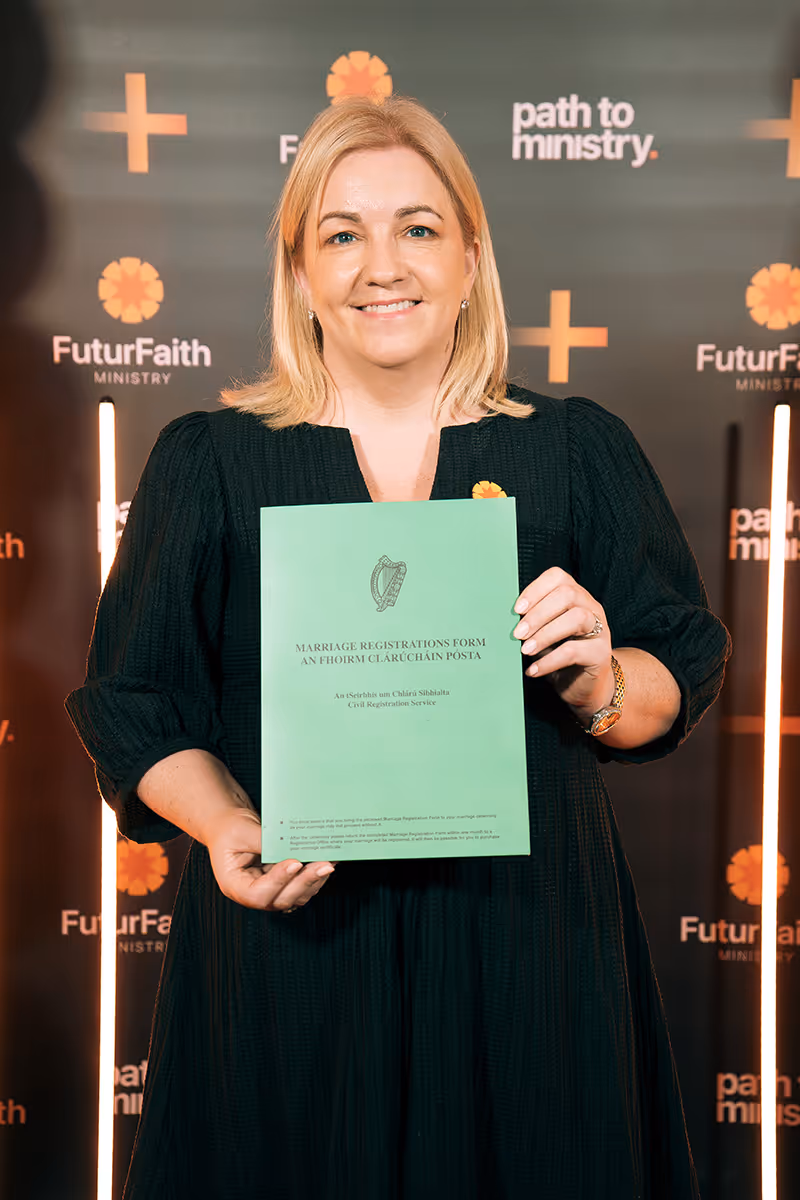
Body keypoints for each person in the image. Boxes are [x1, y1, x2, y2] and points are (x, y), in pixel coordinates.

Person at [65, 94, 730, 1200]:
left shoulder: (574, 449)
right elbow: (137, 702)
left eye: (418, 228)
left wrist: (605, 679)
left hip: (528, 947)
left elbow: (672, 675)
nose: (383, 265)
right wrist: (227, 826)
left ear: (470, 258)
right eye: (342, 233)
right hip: (290, 950)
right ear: (299, 272)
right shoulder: (210, 461)